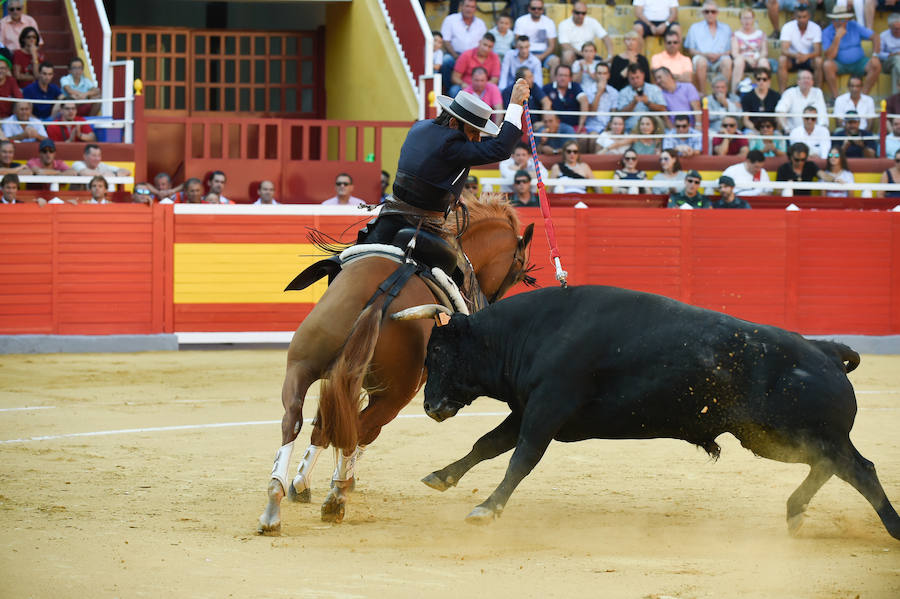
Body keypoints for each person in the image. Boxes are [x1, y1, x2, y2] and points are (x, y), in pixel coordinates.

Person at [355, 78, 531, 249]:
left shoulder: (422, 127)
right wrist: (515, 104)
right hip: (424, 224)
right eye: (473, 132)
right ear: (454, 123)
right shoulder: (451, 145)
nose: (477, 139)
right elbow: (500, 150)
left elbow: (433, 168)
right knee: (455, 268)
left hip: (390, 215)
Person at [822, 5, 881, 102]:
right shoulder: (827, 32)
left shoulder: (854, 25)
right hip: (839, 63)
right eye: (835, 20)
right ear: (832, 20)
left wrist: (875, 55)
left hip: (859, 62)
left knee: (876, 64)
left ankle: (863, 97)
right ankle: (836, 99)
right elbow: (829, 56)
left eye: (842, 19)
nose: (838, 22)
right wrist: (837, 37)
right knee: (827, 65)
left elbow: (875, 37)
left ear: (847, 19)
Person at [684, 1, 733, 96]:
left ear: (717, 13)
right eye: (707, 11)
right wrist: (705, 55)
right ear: (703, 13)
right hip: (702, 58)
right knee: (701, 61)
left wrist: (719, 55)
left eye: (713, 11)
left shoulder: (726, 28)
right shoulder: (695, 28)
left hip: (720, 59)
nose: (710, 14)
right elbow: (691, 50)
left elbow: (729, 50)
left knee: (727, 61)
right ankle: (703, 94)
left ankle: (723, 94)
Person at [777, 4, 824, 92]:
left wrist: (805, 57)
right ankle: (782, 94)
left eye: (804, 17)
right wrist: (797, 56)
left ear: (809, 16)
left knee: (819, 61)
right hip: (793, 58)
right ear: (795, 16)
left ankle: (818, 92)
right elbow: (784, 50)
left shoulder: (815, 28)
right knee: (782, 60)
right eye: (799, 17)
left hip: (809, 59)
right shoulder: (788, 27)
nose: (802, 19)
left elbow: (818, 51)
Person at [439, 0, 487, 87]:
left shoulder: (480, 23)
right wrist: (456, 57)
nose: (469, 9)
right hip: (454, 55)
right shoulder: (450, 19)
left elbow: (483, 43)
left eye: (472, 7)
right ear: (461, 6)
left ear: (475, 9)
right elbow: (446, 41)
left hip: (474, 58)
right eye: (467, 6)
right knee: (445, 60)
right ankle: (449, 89)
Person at [514, 0, 559, 78]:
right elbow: (518, 43)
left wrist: (541, 56)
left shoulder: (549, 22)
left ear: (542, 9)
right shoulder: (521, 21)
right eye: (533, 8)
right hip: (525, 53)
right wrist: (529, 56)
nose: (536, 11)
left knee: (555, 60)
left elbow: (552, 46)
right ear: (529, 9)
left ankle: (553, 88)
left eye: (539, 8)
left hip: (543, 54)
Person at [558, 2, 611, 67]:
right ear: (572, 12)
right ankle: (569, 75)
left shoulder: (592, 22)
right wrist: (583, 54)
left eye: (583, 13)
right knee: (568, 55)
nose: (580, 16)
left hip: (589, 53)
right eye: (578, 13)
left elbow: (605, 37)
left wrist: (610, 55)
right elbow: (565, 45)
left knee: (609, 63)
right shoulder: (564, 24)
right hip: (575, 54)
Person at [616, 62, 666, 131]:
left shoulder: (654, 89)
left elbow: (662, 109)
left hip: (652, 130)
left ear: (643, 75)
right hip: (630, 130)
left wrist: (648, 103)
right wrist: (633, 103)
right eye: (632, 78)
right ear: (628, 78)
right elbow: (621, 115)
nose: (635, 81)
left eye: (637, 77)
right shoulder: (623, 92)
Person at [775, 68, 828, 132]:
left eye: (808, 78)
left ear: (812, 82)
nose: (806, 81)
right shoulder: (789, 92)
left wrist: (821, 130)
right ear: (798, 81)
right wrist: (787, 129)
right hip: (793, 133)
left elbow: (822, 114)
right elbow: (780, 111)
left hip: (814, 133)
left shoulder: (817, 92)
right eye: (803, 78)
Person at [731, 8, 769, 95]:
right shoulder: (736, 34)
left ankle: (766, 93)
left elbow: (764, 52)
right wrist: (747, 59)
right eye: (744, 18)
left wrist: (757, 59)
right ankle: (734, 93)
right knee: (738, 61)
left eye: (749, 18)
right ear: (740, 20)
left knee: (764, 62)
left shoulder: (760, 34)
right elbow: (735, 53)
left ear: (753, 19)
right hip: (743, 60)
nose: (747, 21)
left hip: (757, 59)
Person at [543, 64, 588, 131]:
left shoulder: (575, 86)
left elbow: (584, 101)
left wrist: (581, 125)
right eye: (560, 75)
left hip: (574, 126)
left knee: (583, 138)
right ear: (555, 76)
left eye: (565, 75)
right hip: (554, 127)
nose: (563, 78)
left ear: (570, 78)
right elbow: (543, 105)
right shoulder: (547, 88)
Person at [741, 66, 780, 134]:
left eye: (764, 79)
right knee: (750, 135)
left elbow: (778, 118)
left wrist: (769, 130)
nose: (761, 82)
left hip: (771, 129)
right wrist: (758, 130)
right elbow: (745, 120)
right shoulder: (747, 97)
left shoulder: (776, 96)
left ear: (769, 81)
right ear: (755, 80)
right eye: (759, 79)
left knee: (780, 137)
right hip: (753, 129)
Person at [583, 59, 617, 134]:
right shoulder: (588, 91)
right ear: (595, 74)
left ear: (608, 75)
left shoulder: (614, 92)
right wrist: (599, 93)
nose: (602, 76)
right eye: (599, 73)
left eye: (605, 73)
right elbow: (592, 113)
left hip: (608, 128)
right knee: (593, 137)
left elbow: (613, 114)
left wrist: (608, 127)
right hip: (591, 127)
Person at [877, 13, 900, 99]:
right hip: (887, 63)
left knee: (895, 69)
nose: (898, 31)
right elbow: (878, 53)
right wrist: (892, 54)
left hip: (896, 67)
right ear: (889, 27)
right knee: (897, 59)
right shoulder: (883, 36)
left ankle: (895, 99)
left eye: (899, 28)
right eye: (895, 29)